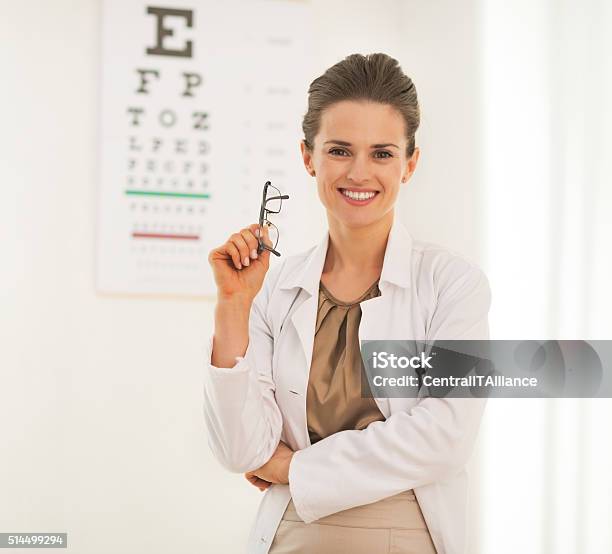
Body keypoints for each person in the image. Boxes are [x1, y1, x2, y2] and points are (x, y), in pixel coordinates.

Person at [204, 53, 491, 554]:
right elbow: (240, 449)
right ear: (308, 156)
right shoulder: (275, 287)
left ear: (410, 163)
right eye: (339, 150)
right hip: (291, 533)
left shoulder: (452, 284)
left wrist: (294, 468)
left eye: (382, 153)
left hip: (408, 534)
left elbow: (445, 435)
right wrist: (233, 304)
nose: (359, 173)